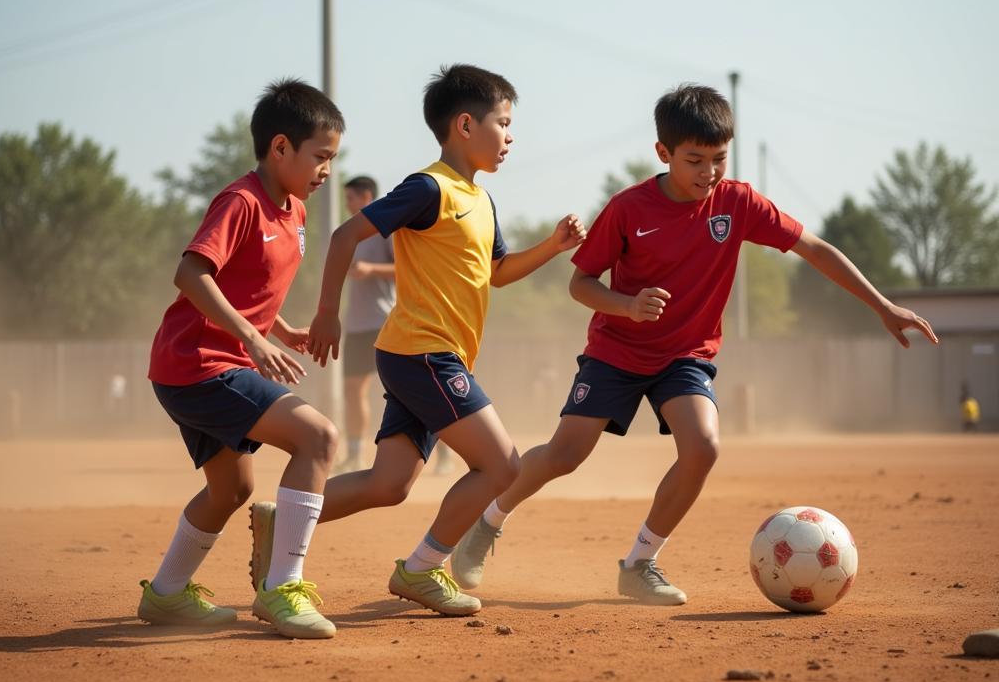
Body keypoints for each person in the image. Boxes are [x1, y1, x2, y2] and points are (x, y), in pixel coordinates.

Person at [452, 83, 939, 605]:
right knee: (566, 454)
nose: (709, 172)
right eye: (694, 160)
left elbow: (813, 249)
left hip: (685, 355)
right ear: (663, 153)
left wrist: (882, 305)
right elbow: (581, 283)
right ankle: (487, 523)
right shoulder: (628, 208)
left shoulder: (739, 203)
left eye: (719, 159)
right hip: (616, 351)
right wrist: (627, 304)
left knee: (703, 447)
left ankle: (640, 563)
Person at [250, 63, 585, 616]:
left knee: (390, 484)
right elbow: (345, 235)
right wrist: (327, 312)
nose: (510, 136)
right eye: (503, 123)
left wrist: (552, 246)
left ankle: (285, 514)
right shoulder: (429, 188)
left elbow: (497, 271)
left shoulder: (479, 198)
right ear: (465, 126)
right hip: (422, 352)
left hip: (425, 355)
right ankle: (422, 569)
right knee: (502, 465)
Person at [140, 78, 344, 639]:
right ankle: (282, 590)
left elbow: (246, 284)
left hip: (199, 366)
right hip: (199, 362)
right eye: (321, 156)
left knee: (232, 490)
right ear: (281, 148)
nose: (328, 169)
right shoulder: (242, 201)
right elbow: (191, 273)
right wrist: (255, 342)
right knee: (319, 437)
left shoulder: (295, 210)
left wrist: (282, 328)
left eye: (334, 157)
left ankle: (166, 595)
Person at [339, 175, 396, 472]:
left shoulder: (385, 231)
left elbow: (406, 270)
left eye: (350, 198)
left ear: (366, 197)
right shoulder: (351, 234)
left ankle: (442, 453)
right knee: (352, 390)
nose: (346, 204)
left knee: (411, 392)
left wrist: (371, 268)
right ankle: (354, 453)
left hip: (384, 321)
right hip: (357, 326)